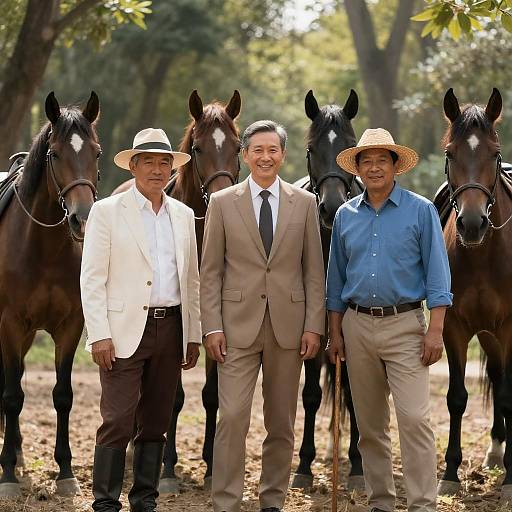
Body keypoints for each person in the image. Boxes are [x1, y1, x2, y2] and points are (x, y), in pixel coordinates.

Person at [200, 120, 325, 512]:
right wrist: (212, 326)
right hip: (235, 328)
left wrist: (313, 326)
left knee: (281, 424)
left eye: (273, 150)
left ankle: (272, 500)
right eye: (258, 150)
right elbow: (210, 273)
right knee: (233, 416)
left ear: (283, 155)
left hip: (289, 329)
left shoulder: (304, 204)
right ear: (245, 155)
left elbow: (313, 272)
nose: (265, 157)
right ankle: (226, 501)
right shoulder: (222, 203)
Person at [326, 128, 452, 512]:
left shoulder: (421, 211)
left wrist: (436, 329)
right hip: (357, 326)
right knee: (370, 427)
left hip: (405, 326)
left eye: (383, 159)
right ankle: (381, 501)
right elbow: (336, 280)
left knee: (414, 419)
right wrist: (336, 333)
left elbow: (438, 275)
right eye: (367, 161)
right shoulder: (345, 216)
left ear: (396, 166)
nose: (375, 167)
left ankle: (422, 504)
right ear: (358, 169)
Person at [80, 127, 201, 512]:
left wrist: (192, 335)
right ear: (132, 166)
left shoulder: (183, 215)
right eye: (147, 161)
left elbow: (192, 280)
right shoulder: (107, 212)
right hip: (121, 330)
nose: (157, 169)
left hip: (172, 327)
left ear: (172, 169)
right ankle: (105, 503)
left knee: (156, 419)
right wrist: (99, 334)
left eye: (164, 162)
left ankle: (145, 500)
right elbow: (92, 278)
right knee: (117, 418)